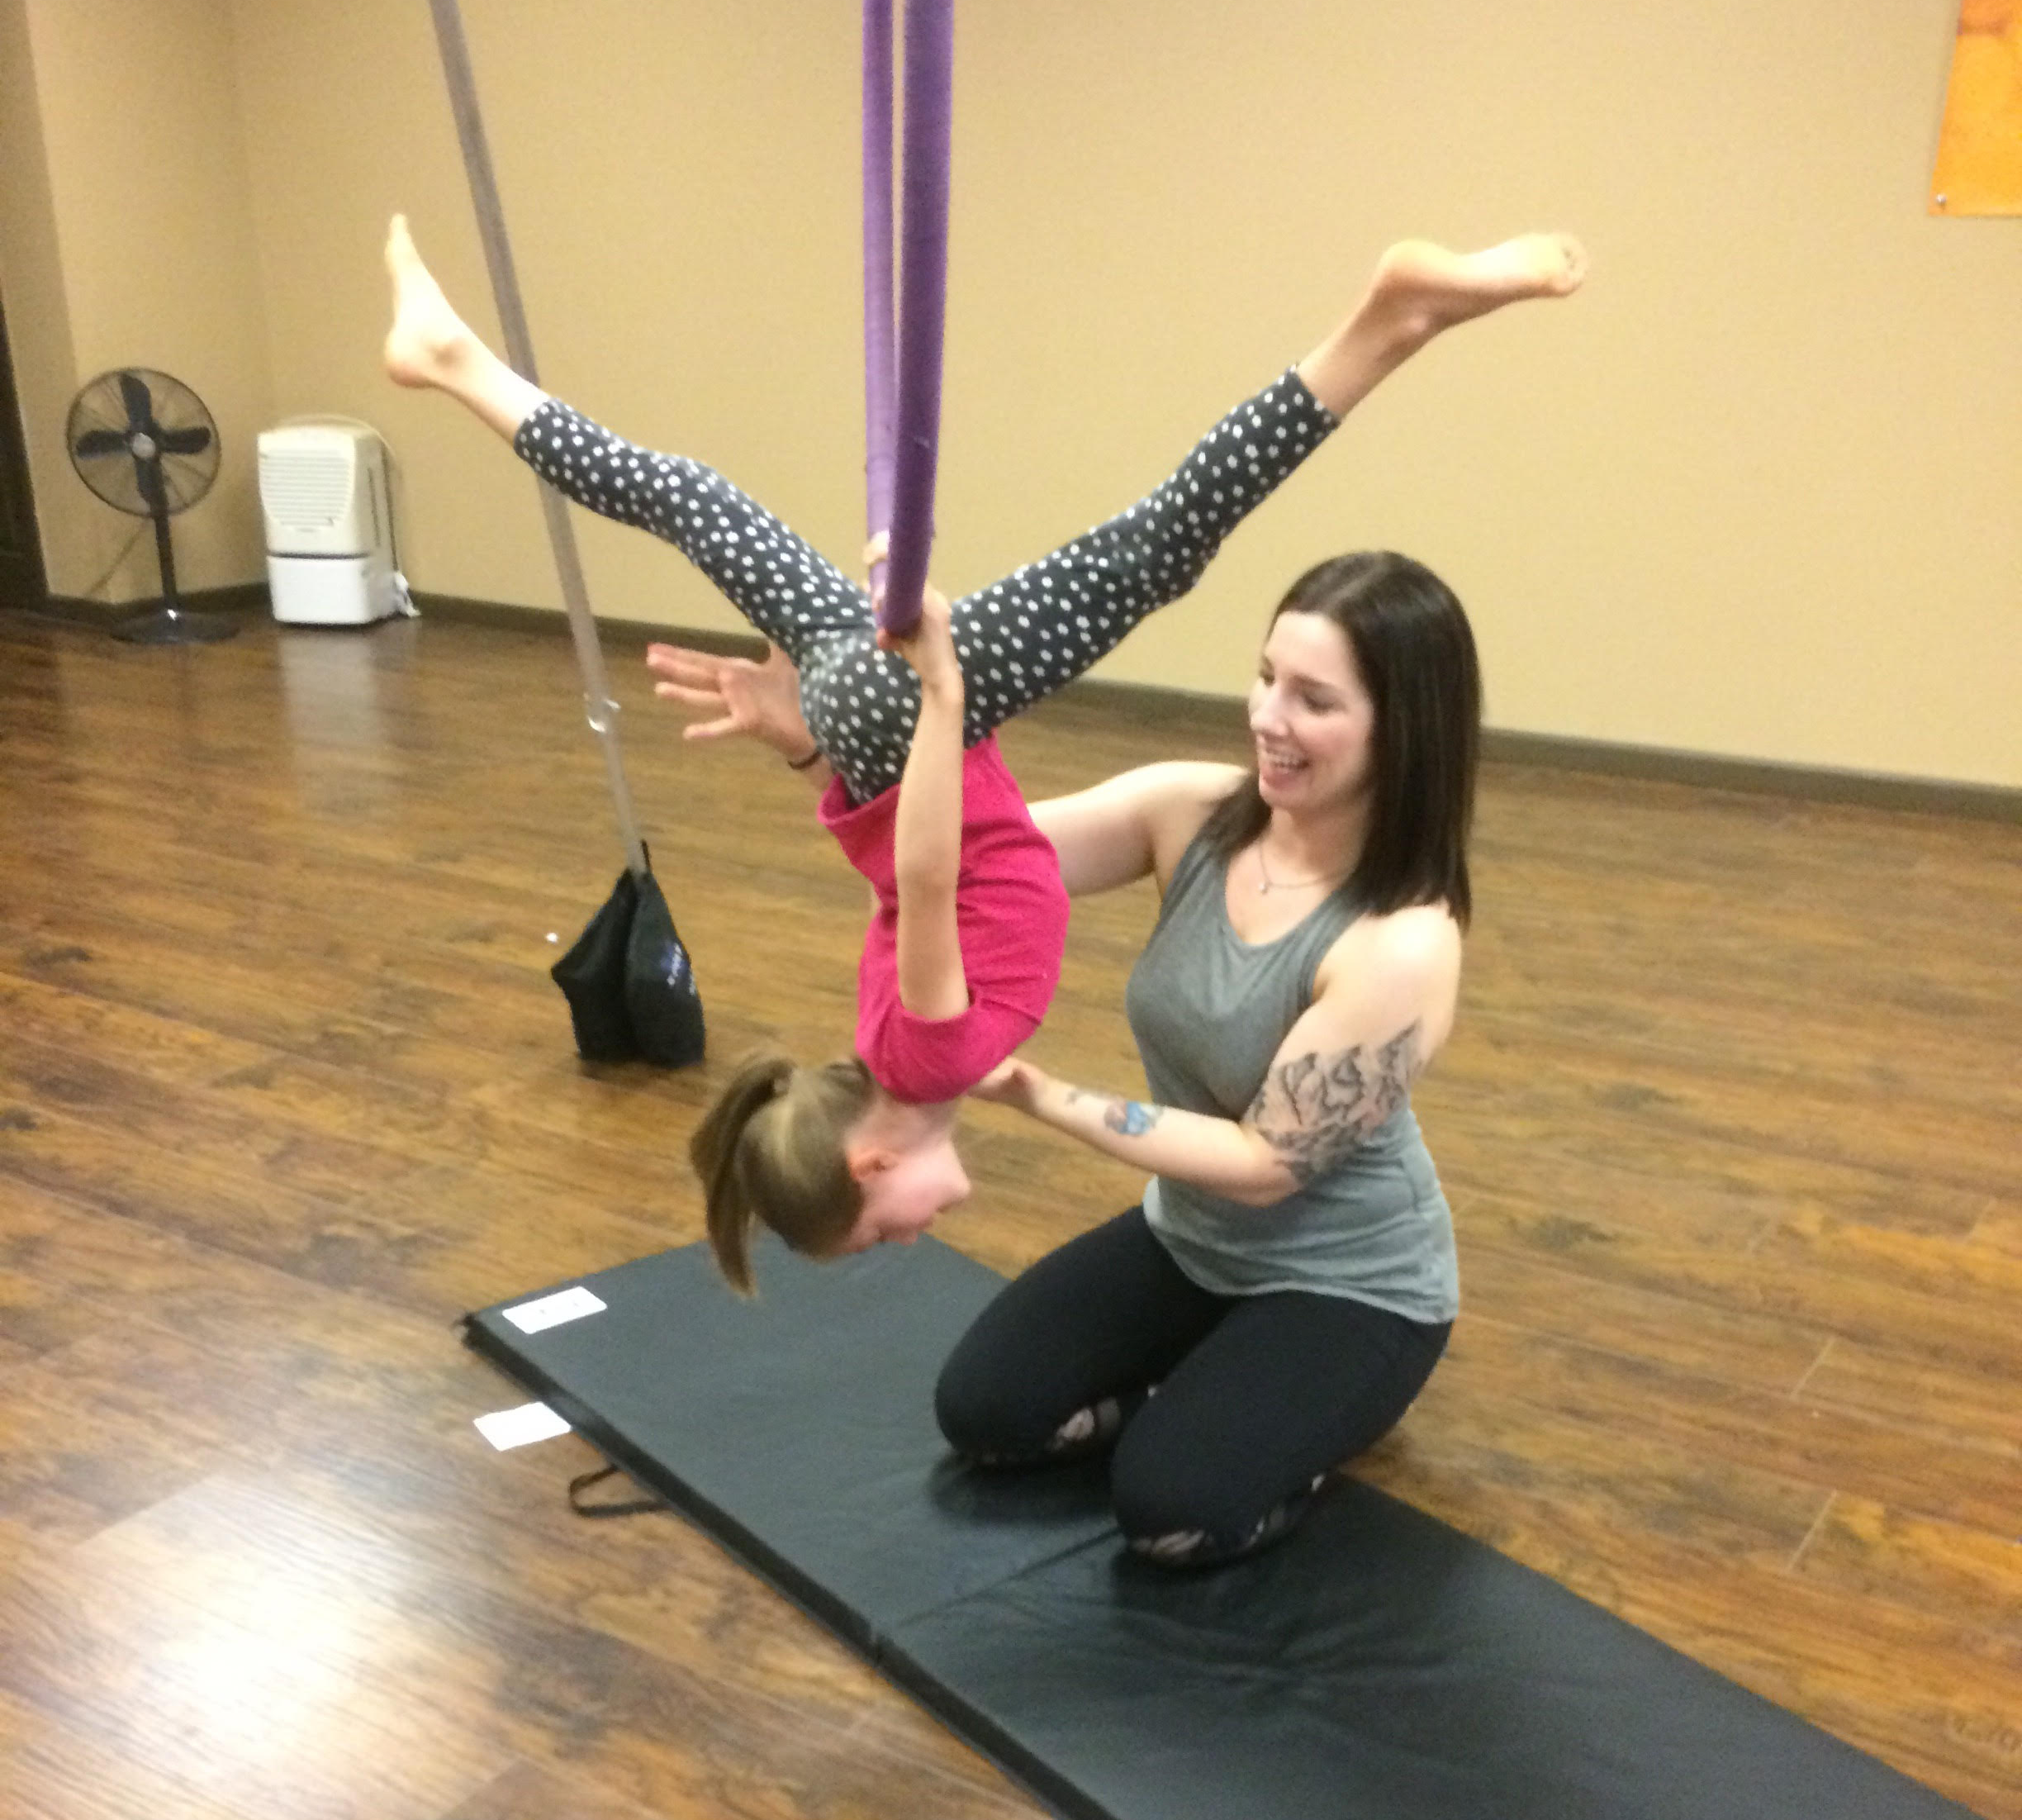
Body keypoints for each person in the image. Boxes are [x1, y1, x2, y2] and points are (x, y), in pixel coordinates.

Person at [384, 217, 1583, 1328]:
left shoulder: (937, 1056)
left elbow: (924, 863)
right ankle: (456, 362)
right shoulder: (868, 1047)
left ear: (873, 1165)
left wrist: (943, 701)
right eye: (1271, 681)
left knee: (1156, 548)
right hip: (870, 747)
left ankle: (1385, 325)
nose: (907, 1241)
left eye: (876, 1238)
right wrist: (812, 745)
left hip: (906, 729)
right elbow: (911, 882)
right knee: (705, 507)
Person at [651, 242, 1586, 1563]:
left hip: (1344, 1280)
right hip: (1187, 1240)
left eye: (1316, 701)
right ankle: (1210, 1385)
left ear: (1405, 731)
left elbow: (1268, 1169)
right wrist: (818, 747)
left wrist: (1038, 1093)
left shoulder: (1400, 945)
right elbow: (963, 863)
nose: (1270, 720)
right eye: (1268, 678)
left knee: (1173, 1513)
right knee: (985, 1414)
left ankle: (1273, 1418)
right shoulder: (1189, 811)